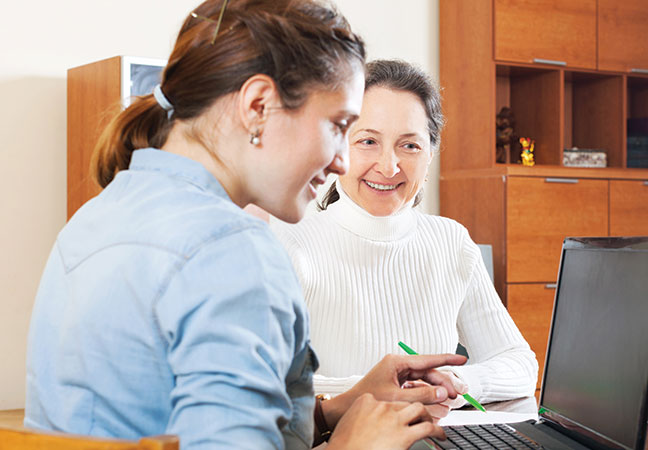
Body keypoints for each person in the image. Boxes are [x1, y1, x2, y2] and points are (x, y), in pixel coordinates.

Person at [24, 3, 468, 449]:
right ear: (258, 106)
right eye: (338, 126)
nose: (341, 161)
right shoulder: (232, 251)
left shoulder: (97, 216)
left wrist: (343, 406)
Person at [271, 60, 539, 412]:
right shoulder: (291, 245)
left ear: (430, 155)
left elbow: (518, 362)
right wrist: (388, 389)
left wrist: (453, 384)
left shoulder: (451, 242)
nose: (388, 166)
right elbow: (267, 387)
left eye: (409, 146)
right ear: (337, 147)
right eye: (368, 141)